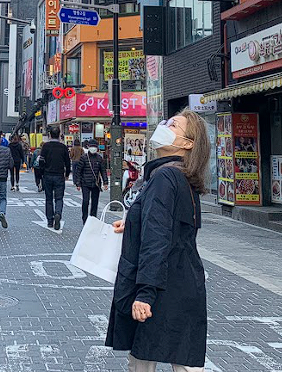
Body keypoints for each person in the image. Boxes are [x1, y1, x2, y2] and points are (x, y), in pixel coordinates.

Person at [106, 110, 209, 371]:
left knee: (143, 360)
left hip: (161, 285)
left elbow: (158, 237)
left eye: (172, 125)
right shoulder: (180, 176)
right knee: (181, 360)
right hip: (182, 282)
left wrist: (145, 293)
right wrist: (133, 223)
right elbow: (174, 228)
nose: (164, 126)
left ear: (187, 143)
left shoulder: (164, 177)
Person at [39, 127, 71, 230]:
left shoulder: (46, 146)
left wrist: (42, 173)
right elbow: (67, 162)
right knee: (59, 198)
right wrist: (67, 174)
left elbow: (41, 161)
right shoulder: (63, 147)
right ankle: (58, 213)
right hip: (59, 175)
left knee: (48, 198)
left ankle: (50, 221)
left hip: (47, 175)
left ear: (50, 135)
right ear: (59, 135)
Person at [74, 140, 108, 223]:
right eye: (92, 146)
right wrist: (78, 183)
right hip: (85, 183)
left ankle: (93, 219)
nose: (93, 148)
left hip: (96, 183)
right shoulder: (84, 158)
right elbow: (79, 171)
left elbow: (103, 171)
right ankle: (85, 219)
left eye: (95, 146)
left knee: (95, 203)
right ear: (88, 147)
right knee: (85, 201)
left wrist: (105, 182)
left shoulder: (99, 158)